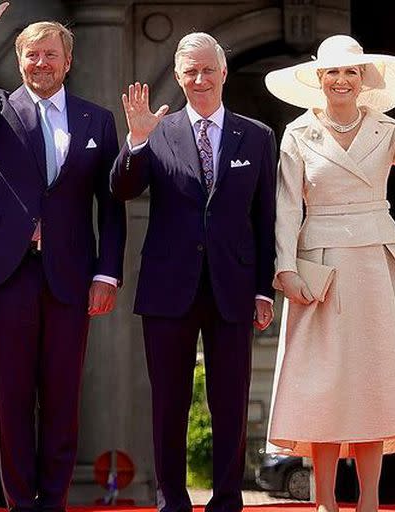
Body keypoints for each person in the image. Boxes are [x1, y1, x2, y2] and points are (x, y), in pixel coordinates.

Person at [0, 1, 126, 511]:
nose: (40, 63)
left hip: (71, 273)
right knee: (14, 394)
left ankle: (54, 502)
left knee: (63, 396)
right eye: (31, 55)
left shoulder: (99, 120)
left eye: (50, 55)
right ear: (21, 61)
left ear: (68, 62)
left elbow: (110, 207)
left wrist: (107, 274)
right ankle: (21, 502)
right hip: (10, 272)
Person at [264, 35, 395, 512]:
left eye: (351, 72)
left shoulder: (387, 129)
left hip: (375, 262)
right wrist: (285, 269)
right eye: (333, 73)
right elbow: (286, 207)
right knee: (322, 383)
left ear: (364, 80)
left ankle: (369, 501)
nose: (342, 80)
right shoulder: (297, 133)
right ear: (319, 79)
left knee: (374, 381)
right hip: (320, 265)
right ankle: (325, 501)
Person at [111, 32, 276, 512]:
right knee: (169, 402)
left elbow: (265, 220)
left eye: (208, 69)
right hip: (169, 286)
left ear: (224, 72)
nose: (200, 79)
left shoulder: (258, 136)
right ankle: (172, 500)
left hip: (234, 286)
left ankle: (226, 499)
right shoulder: (157, 131)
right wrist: (137, 141)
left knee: (229, 402)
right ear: (180, 77)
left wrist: (263, 289)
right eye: (190, 72)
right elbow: (122, 188)